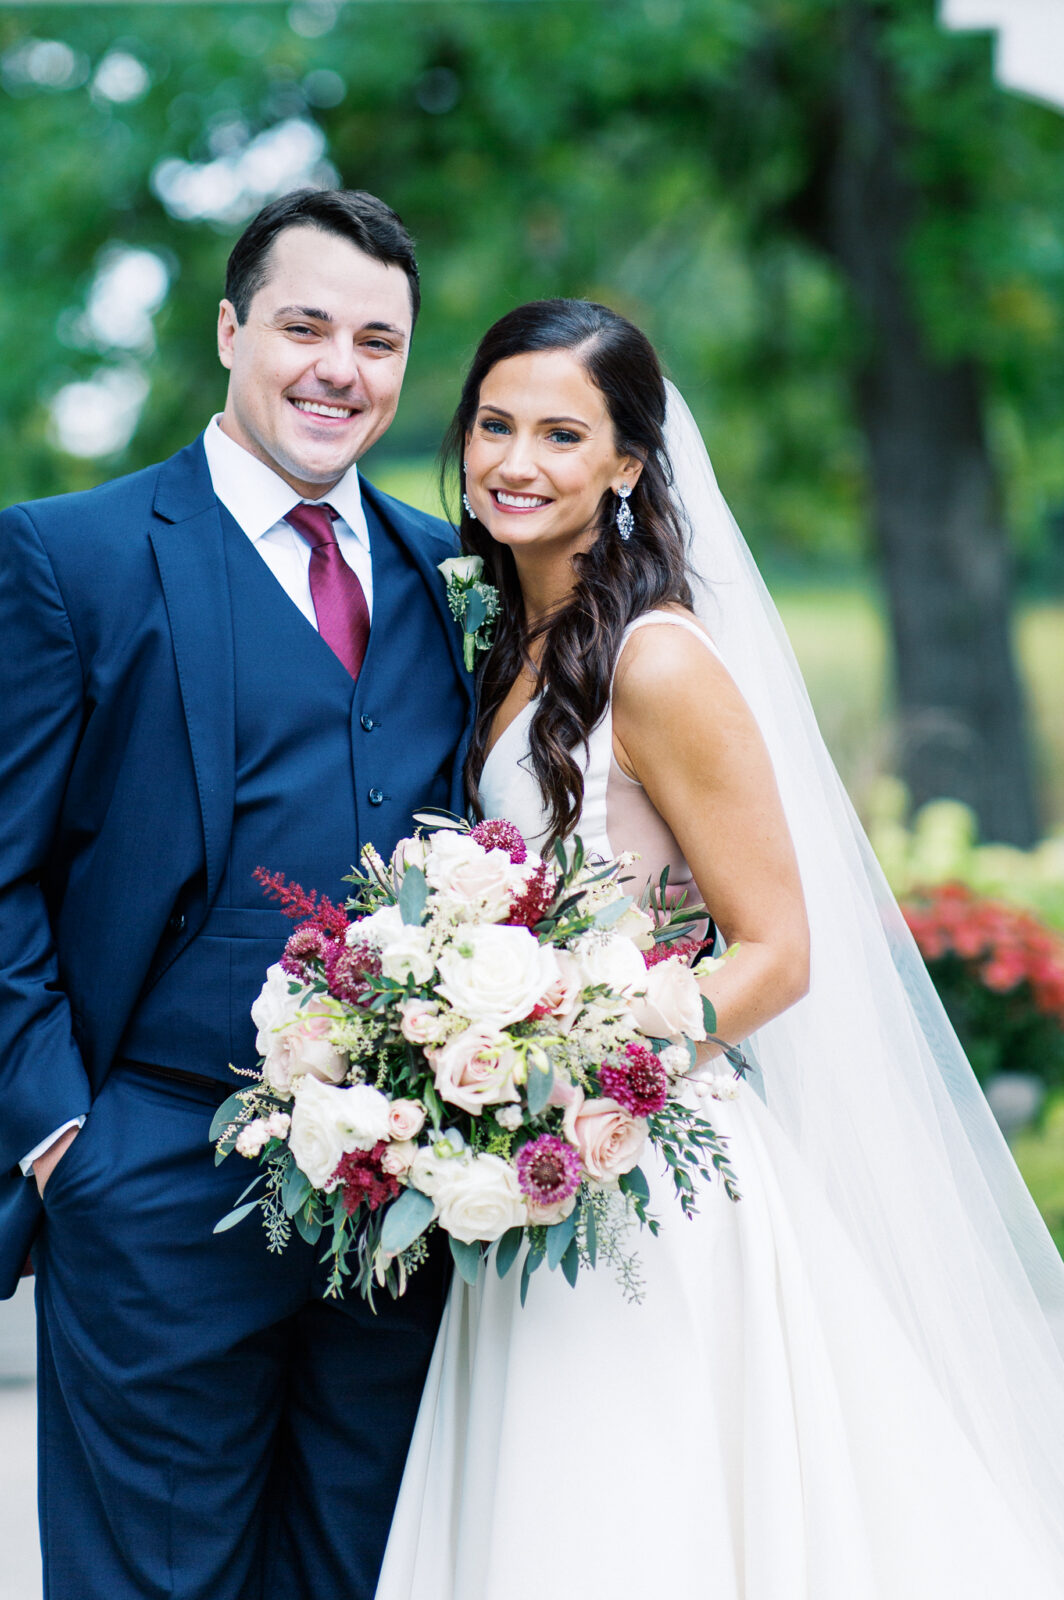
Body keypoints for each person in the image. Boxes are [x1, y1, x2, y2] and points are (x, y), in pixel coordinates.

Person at [375, 299, 1064, 1598]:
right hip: (521, 1158)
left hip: (641, 1166)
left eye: (561, 433)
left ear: (628, 463)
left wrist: (582, 1051)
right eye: (494, 423)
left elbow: (776, 952)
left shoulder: (661, 660)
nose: (515, 461)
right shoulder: (503, 643)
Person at [0, 189, 472, 1600]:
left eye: (379, 340)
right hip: (150, 1171)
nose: (340, 367)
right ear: (230, 332)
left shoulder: (447, 574)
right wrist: (64, 1147)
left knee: (361, 1571)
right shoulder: (70, 556)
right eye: (305, 325)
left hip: (394, 1204)